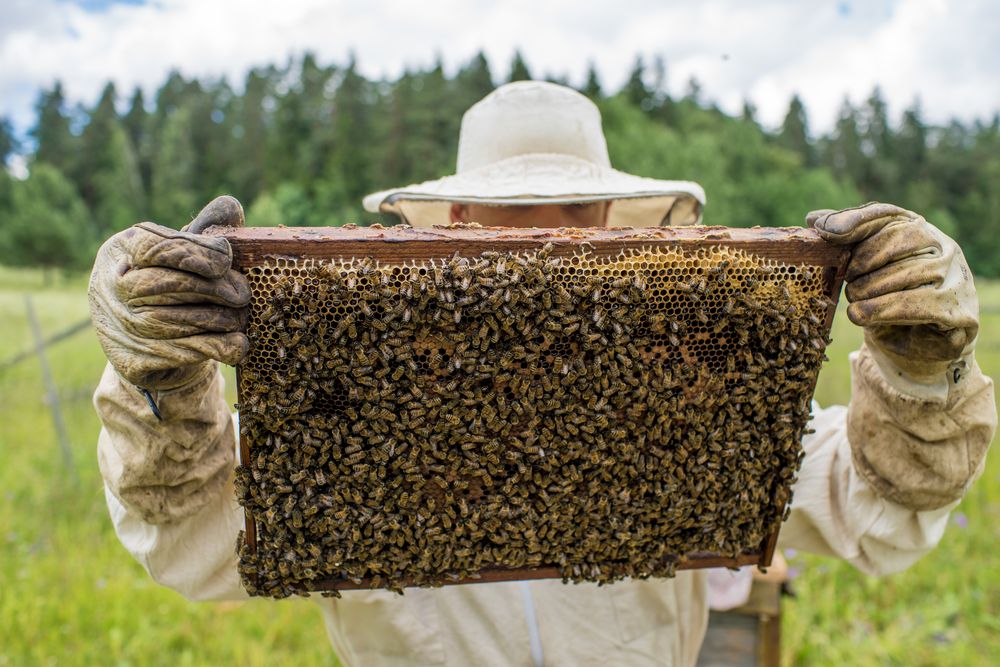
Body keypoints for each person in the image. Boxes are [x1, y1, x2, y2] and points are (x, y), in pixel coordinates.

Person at [89, 81, 995, 666]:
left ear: (612, 218)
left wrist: (922, 377)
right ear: (447, 224)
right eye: (508, 219)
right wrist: (157, 386)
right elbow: (189, 542)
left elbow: (881, 515)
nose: (540, 253)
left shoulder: (688, 384)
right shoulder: (345, 394)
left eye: (568, 220)